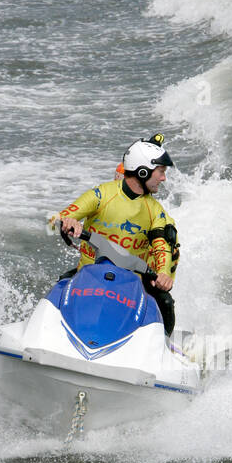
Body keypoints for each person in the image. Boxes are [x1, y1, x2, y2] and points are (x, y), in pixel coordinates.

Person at [48, 135, 180, 335]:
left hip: (132, 288)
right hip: (87, 278)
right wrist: (66, 221)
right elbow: (53, 220)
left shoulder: (155, 210)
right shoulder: (101, 194)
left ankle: (165, 346)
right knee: (56, 290)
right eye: (161, 172)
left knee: (166, 302)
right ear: (143, 171)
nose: (163, 178)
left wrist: (163, 273)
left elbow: (161, 245)